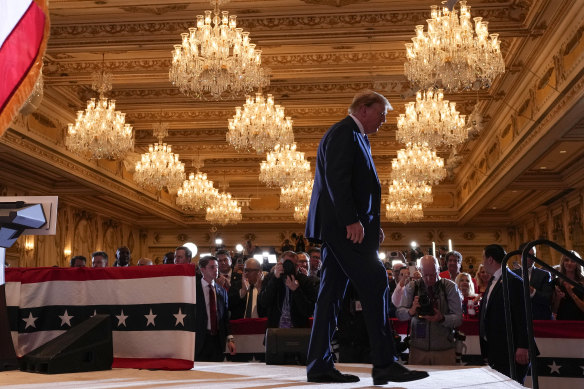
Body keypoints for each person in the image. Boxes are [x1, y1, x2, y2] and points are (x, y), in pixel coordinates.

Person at [304, 90, 428, 384]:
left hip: (344, 228)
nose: (384, 121)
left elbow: (359, 188)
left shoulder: (357, 136)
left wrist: (370, 224)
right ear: (363, 108)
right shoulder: (344, 132)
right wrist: (351, 220)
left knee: (331, 295)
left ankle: (319, 366)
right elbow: (337, 179)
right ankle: (384, 363)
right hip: (342, 227)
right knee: (374, 280)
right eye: (381, 114)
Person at [480, 244, 534, 384]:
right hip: (496, 348)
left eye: (483, 258)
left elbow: (523, 315)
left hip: (511, 349)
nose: (483, 262)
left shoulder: (513, 281)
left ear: (490, 260)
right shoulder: (493, 280)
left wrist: (523, 345)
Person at [396, 255, 463, 365]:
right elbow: (399, 314)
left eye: (432, 275)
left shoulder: (449, 287)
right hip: (418, 349)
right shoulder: (412, 287)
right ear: (420, 270)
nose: (428, 279)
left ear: (438, 269)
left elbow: (458, 318)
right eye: (425, 275)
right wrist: (411, 311)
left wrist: (442, 318)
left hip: (444, 350)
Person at [257, 251, 318, 329]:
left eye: (292, 265)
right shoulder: (270, 278)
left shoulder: (305, 281)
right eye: (286, 264)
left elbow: (309, 311)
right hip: (275, 329)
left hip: (299, 331)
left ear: (297, 266)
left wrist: (296, 290)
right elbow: (264, 302)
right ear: (279, 264)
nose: (289, 268)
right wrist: (275, 279)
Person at [194, 256, 236, 361]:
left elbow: (225, 317)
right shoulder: (193, 289)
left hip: (217, 340)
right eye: (212, 267)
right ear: (202, 269)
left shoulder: (222, 291)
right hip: (199, 341)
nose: (216, 270)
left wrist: (230, 339)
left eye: (216, 267)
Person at [513, 244, 553, 320]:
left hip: (538, 318)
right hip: (517, 318)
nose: (531, 258)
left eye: (533, 255)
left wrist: (533, 292)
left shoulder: (544, 275)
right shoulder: (512, 274)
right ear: (520, 255)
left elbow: (548, 298)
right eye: (528, 255)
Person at [552, 250, 584, 320]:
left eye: (573, 261)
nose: (569, 263)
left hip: (580, 322)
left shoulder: (583, 282)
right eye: (566, 260)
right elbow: (554, 310)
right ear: (563, 262)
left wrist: (571, 293)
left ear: (577, 264)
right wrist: (558, 298)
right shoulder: (556, 282)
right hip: (562, 321)